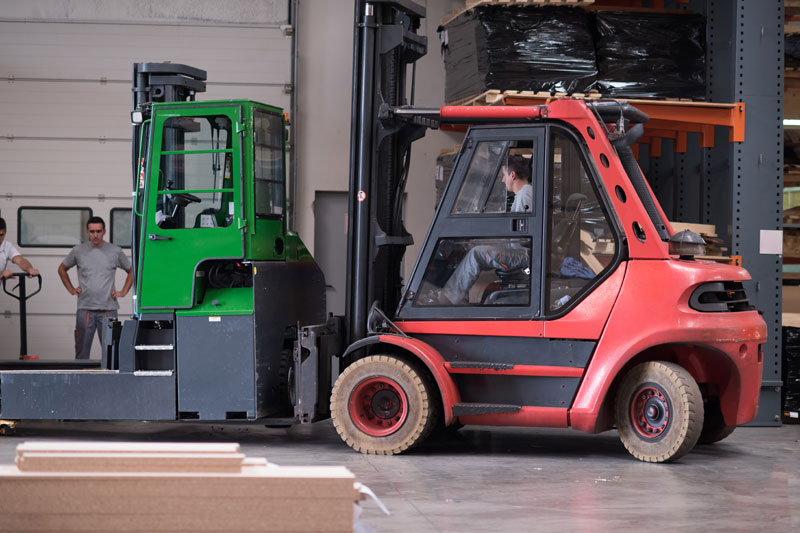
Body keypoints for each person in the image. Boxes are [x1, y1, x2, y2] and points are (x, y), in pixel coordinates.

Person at [440, 155, 532, 305]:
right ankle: (457, 296)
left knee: (477, 253)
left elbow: (523, 233)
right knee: (474, 247)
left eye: (504, 175)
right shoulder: (523, 194)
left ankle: (448, 299)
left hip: (523, 254)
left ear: (512, 175)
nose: (503, 180)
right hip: (518, 249)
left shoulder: (525, 194)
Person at [58, 216, 133, 359]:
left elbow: (131, 271)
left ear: (104, 231)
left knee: (110, 352)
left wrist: (123, 292)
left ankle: (110, 378)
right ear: (87, 232)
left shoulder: (114, 251)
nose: (95, 235)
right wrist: (71, 289)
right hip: (85, 309)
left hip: (108, 309)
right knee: (81, 352)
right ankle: (80, 378)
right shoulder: (78, 251)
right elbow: (62, 269)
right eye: (92, 231)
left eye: (98, 231)